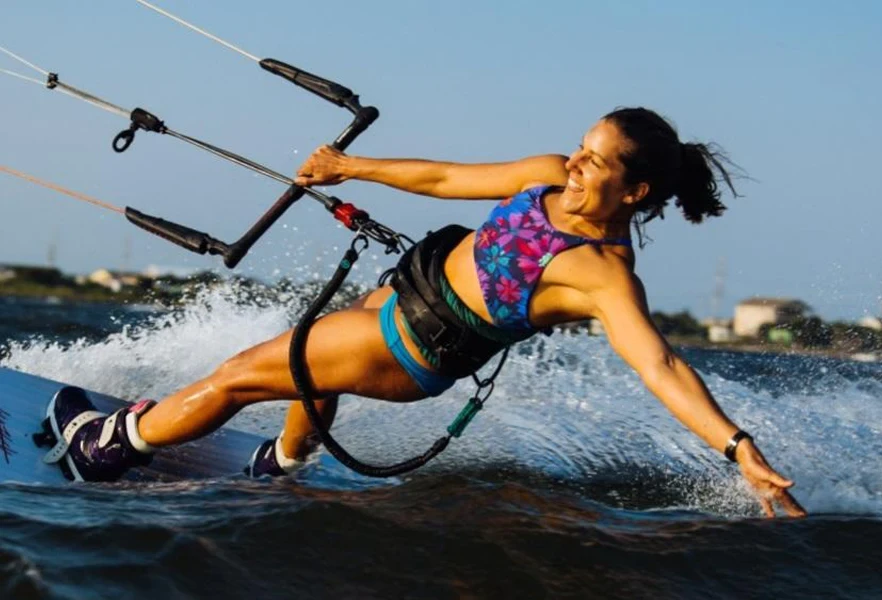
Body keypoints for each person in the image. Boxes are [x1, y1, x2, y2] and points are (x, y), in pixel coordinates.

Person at [44, 107, 805, 517]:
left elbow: (661, 365)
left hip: (413, 345)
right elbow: (445, 178)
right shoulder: (546, 179)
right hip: (408, 288)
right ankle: (278, 467)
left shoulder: (603, 274)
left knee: (242, 376)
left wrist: (738, 449)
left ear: (634, 193)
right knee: (307, 377)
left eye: (595, 161)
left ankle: (108, 447)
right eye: (581, 146)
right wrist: (351, 168)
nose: (574, 162)